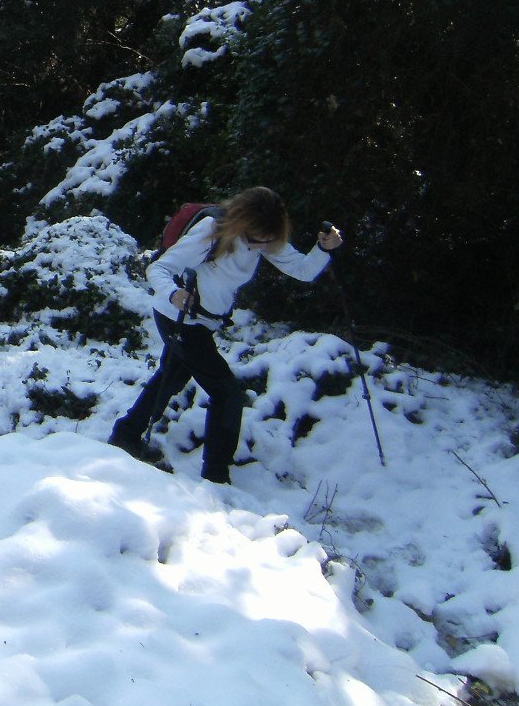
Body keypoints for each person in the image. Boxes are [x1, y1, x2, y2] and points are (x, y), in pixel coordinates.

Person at [108, 187, 344, 484]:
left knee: (172, 376)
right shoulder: (213, 231)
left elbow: (303, 270)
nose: (264, 246)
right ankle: (216, 475)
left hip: (202, 323)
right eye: (258, 239)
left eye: (270, 240)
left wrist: (324, 249)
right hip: (178, 319)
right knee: (227, 394)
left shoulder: (264, 235)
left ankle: (125, 434)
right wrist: (173, 294)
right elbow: (159, 268)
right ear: (243, 225)